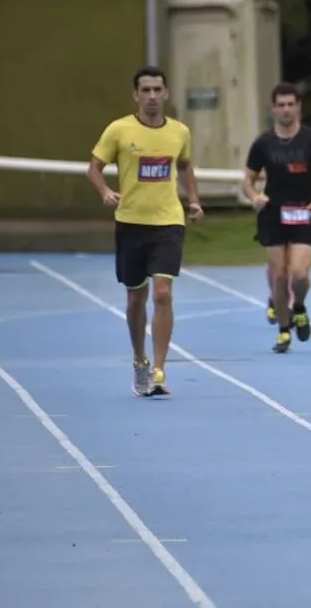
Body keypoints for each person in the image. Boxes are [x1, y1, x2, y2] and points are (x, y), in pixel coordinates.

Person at [86, 66, 204, 397]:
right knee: (136, 298)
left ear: (165, 93)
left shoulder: (179, 132)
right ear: (136, 95)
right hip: (131, 223)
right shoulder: (119, 130)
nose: (152, 96)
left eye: (157, 90)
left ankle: (159, 369)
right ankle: (140, 360)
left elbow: (185, 166)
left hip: (168, 222)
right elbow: (94, 168)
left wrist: (194, 201)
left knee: (163, 293)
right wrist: (104, 191)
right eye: (146, 90)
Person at [242, 82, 311, 353]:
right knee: (280, 276)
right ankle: (284, 330)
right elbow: (247, 179)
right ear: (273, 108)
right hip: (273, 213)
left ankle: (300, 306)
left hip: (302, 211)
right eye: (281, 105)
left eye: (290, 104)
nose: (286, 109)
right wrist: (254, 196)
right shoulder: (263, 142)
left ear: (298, 107)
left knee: (299, 275)